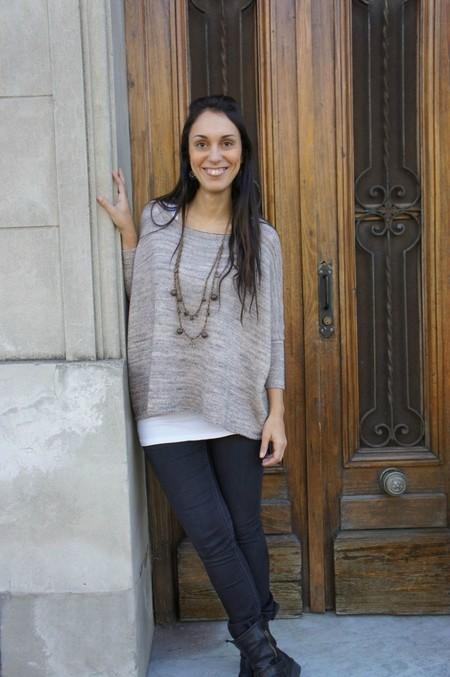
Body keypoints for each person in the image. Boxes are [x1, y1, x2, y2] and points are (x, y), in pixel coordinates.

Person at [96, 95, 301, 677]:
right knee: (212, 535)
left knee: (245, 529)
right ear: (187, 154)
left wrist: (276, 412)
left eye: (226, 143)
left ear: (242, 153)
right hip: (165, 399)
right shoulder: (159, 220)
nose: (215, 155)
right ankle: (264, 657)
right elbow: (143, 300)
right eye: (202, 143)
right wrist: (130, 234)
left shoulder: (261, 238)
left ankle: (259, 659)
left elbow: (273, 330)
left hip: (235, 400)